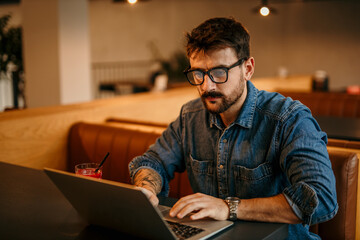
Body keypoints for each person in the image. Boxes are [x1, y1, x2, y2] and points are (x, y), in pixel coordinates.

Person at [129, 17, 337, 239]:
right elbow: (152, 162)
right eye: (198, 73)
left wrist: (228, 208)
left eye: (220, 72)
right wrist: (146, 190)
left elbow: (321, 197)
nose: (206, 86)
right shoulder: (190, 117)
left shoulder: (288, 118)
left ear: (247, 69)